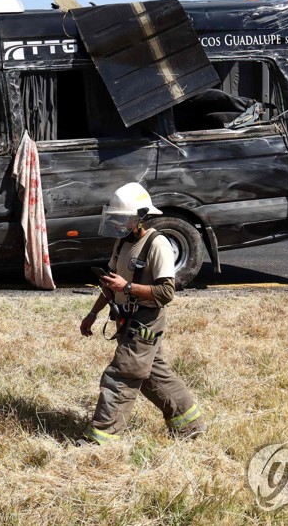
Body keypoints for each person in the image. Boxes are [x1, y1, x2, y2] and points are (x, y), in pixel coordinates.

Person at [78, 183, 205, 444]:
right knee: (151, 374)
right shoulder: (122, 243)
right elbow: (110, 285)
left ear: (141, 217)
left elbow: (166, 293)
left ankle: (102, 439)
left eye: (124, 219)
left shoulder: (157, 245)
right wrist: (92, 314)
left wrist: (127, 287)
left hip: (145, 321)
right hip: (128, 319)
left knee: (122, 375)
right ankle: (190, 426)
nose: (119, 225)